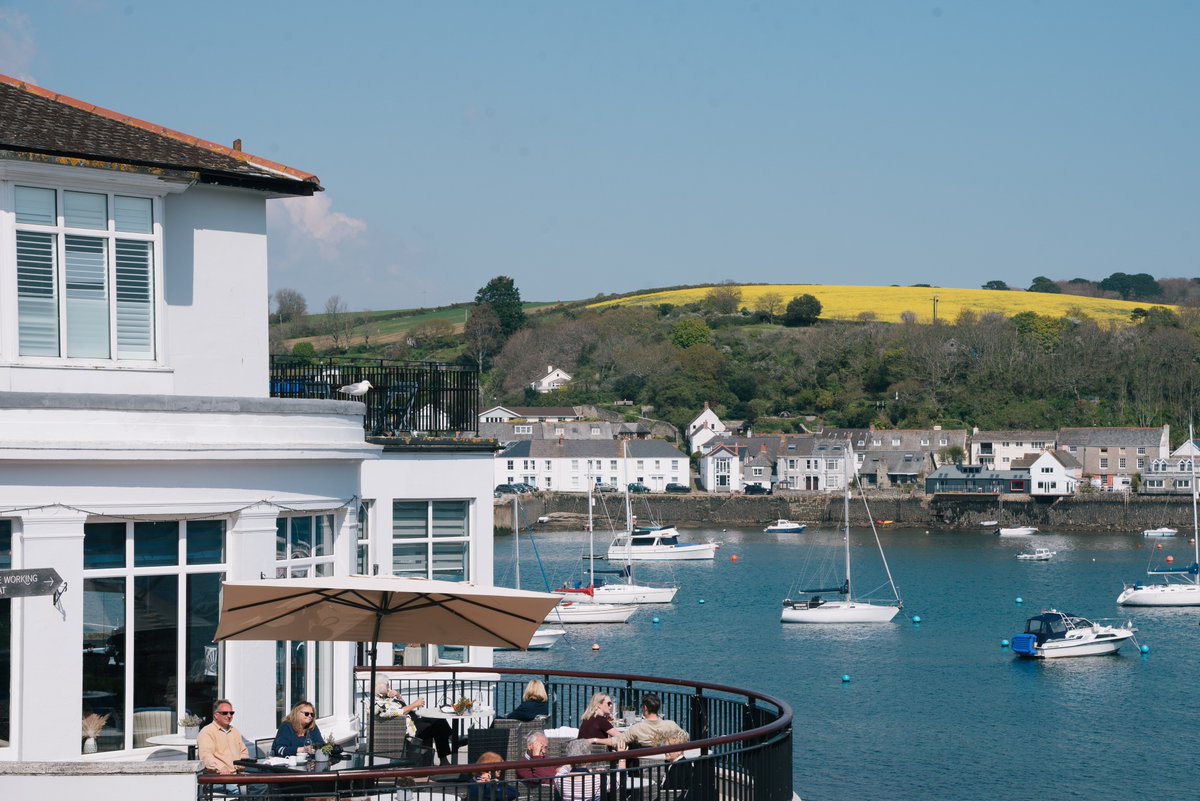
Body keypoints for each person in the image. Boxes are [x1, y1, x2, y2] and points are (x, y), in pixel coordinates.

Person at [374, 677, 454, 763]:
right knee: (436, 727)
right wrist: (415, 704)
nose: (389, 688)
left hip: (412, 719)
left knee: (438, 720)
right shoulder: (380, 704)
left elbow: (402, 705)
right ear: (381, 687)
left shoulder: (387, 698)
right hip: (408, 727)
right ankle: (451, 743)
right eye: (387, 685)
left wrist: (398, 695)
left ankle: (450, 739)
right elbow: (399, 712)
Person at [197, 699, 263, 796]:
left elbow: (243, 751)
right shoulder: (207, 732)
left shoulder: (234, 731)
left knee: (262, 785)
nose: (229, 716)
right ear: (216, 715)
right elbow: (206, 757)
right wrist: (221, 768)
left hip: (236, 775)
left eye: (231, 713)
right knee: (240, 791)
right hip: (216, 778)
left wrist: (241, 764)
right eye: (225, 713)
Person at [617, 694, 686, 749]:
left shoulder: (637, 728)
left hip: (643, 763)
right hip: (664, 762)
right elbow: (685, 737)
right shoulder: (671, 725)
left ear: (645, 708)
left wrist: (605, 740)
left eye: (641, 706)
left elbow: (617, 741)